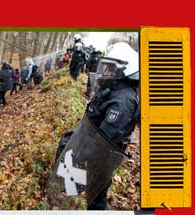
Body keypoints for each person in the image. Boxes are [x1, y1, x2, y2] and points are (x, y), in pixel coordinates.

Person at [50, 42, 139, 210]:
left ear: (124, 70)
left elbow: (105, 138)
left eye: (111, 68)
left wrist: (79, 156)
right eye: (106, 67)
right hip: (92, 146)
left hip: (103, 157)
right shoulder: (113, 89)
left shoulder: (123, 101)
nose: (106, 72)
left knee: (96, 195)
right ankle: (68, 199)